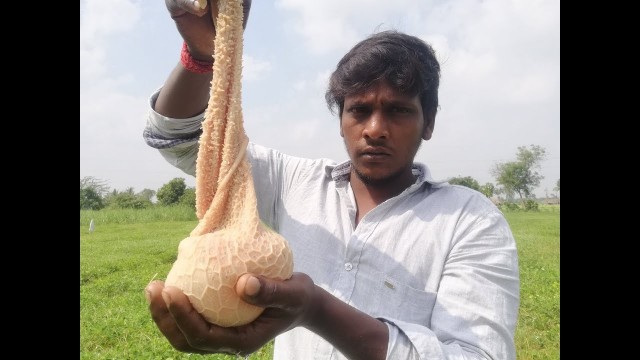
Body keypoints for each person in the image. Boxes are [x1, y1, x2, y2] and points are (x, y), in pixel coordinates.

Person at [143, 1, 520, 359]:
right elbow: (185, 142)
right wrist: (202, 56)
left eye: (398, 111)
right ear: (341, 122)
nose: (375, 129)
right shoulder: (294, 182)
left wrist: (316, 310)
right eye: (359, 110)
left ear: (429, 123)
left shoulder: (470, 221)